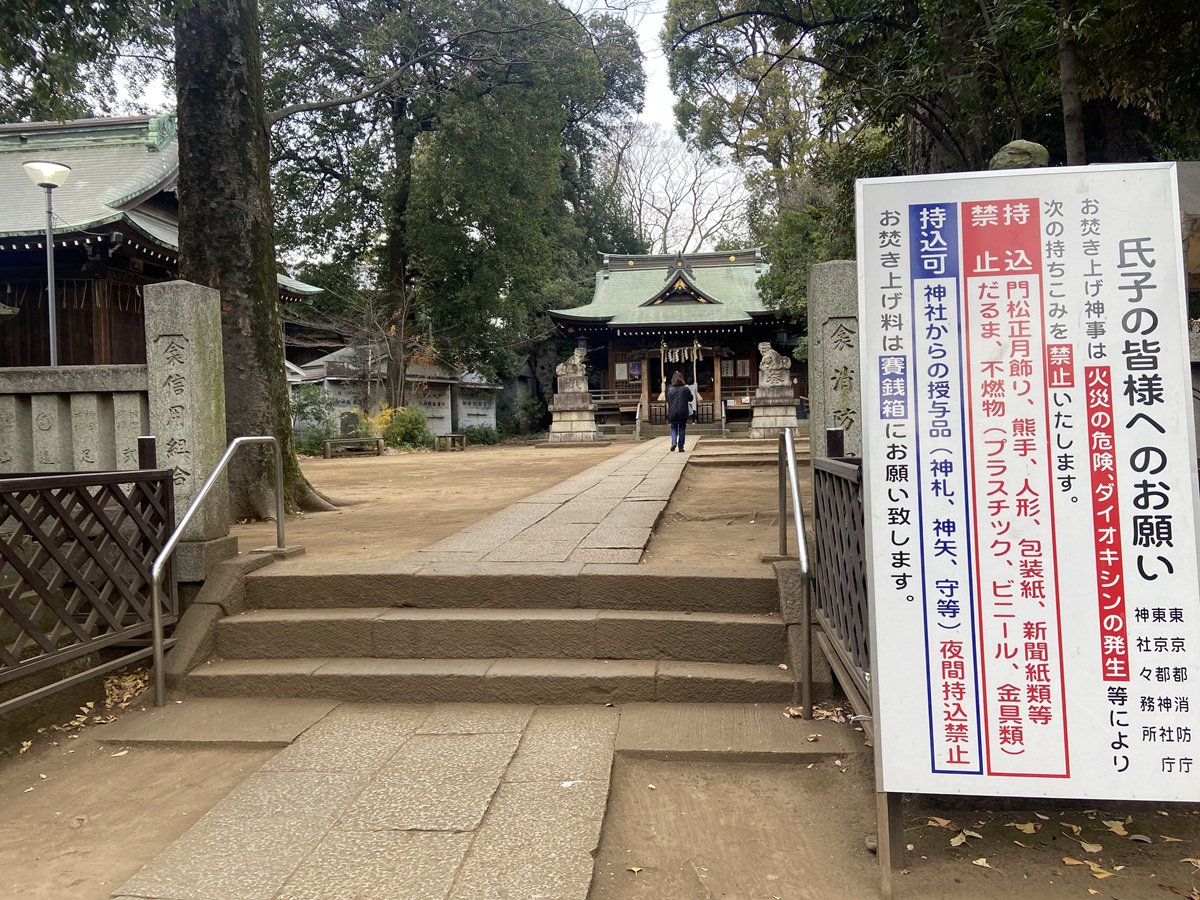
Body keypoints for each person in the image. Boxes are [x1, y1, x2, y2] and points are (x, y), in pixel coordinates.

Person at [666, 371, 690, 452]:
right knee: (682, 429)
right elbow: (691, 398)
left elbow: (668, 399)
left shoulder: (669, 389)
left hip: (672, 412)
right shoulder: (685, 389)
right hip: (683, 412)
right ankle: (681, 447)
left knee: (673, 428)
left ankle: (674, 442)